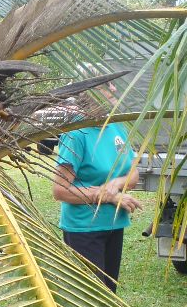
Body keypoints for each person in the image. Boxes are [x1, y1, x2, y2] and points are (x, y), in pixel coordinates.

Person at [52, 116, 140, 292]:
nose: (114, 88)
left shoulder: (117, 126)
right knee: (92, 297)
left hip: (114, 224)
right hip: (85, 229)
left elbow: (133, 174)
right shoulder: (77, 133)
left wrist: (115, 184)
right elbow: (60, 190)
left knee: (109, 293)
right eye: (108, 87)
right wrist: (109, 196)